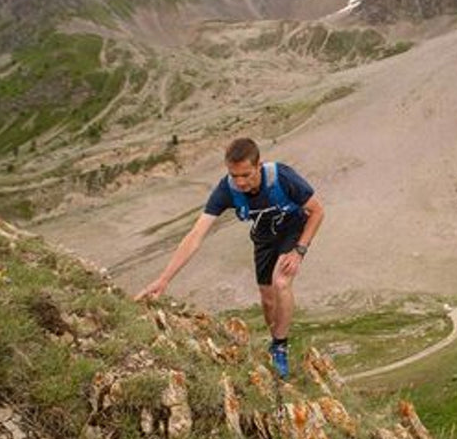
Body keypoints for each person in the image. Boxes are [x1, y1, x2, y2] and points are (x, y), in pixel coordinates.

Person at [134, 137, 324, 379]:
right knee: (267, 301)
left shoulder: (282, 177)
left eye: (246, 175)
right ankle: (274, 335)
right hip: (264, 238)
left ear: (258, 166)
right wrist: (164, 280)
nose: (240, 182)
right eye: (234, 175)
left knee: (282, 281)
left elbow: (317, 211)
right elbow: (195, 236)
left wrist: (300, 250)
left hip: (293, 231)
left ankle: (280, 346)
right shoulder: (226, 190)